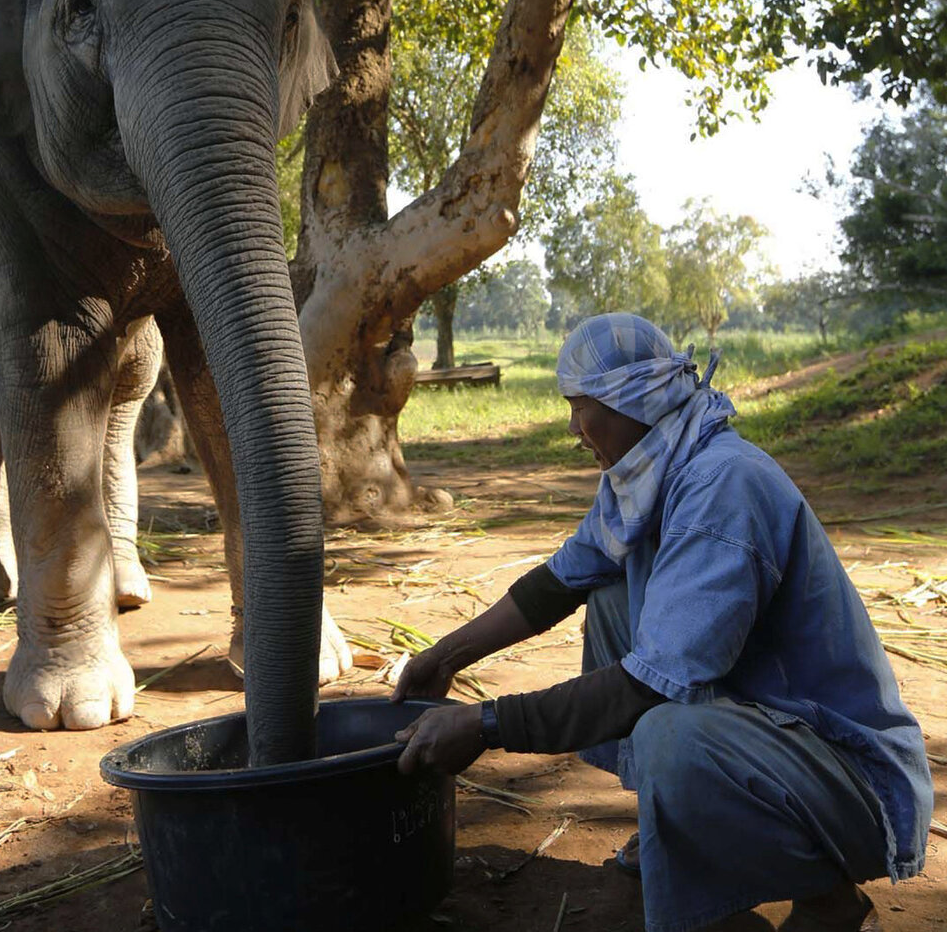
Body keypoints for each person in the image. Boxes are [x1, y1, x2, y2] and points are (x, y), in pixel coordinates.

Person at [390, 313, 931, 932]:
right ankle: (675, 827)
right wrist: (445, 657)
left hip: (846, 777)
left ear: (629, 401)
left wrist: (486, 725)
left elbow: (648, 687)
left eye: (578, 407)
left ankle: (826, 895)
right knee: (613, 597)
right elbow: (559, 583)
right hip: (769, 731)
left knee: (670, 738)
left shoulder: (721, 486)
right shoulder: (646, 470)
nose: (573, 427)